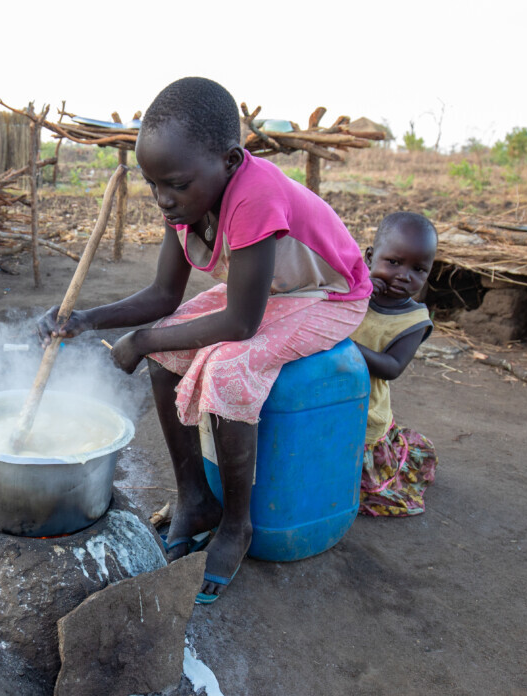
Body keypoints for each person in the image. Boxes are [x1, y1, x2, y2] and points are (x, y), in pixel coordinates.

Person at [37, 77, 371, 603]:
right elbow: (163, 295)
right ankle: (195, 498)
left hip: (328, 296)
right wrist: (84, 318)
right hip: (268, 294)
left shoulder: (254, 196)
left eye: (174, 184)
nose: (163, 199)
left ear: (231, 162)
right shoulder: (190, 198)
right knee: (167, 347)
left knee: (228, 368)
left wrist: (142, 338)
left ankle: (237, 527)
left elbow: (239, 324)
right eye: (153, 185)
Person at [352, 212, 439, 517]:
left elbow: (392, 367)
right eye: (393, 263)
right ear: (370, 257)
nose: (404, 275)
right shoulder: (350, 288)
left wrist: (343, 345)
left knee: (355, 486)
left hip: (364, 409)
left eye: (418, 269)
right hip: (323, 390)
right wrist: (358, 292)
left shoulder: (414, 320)